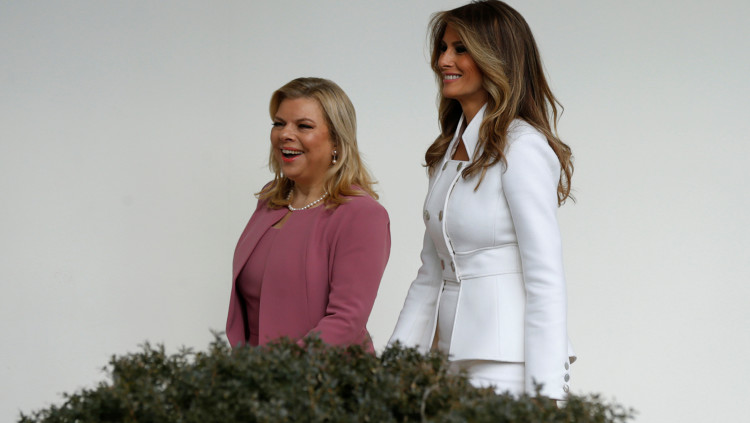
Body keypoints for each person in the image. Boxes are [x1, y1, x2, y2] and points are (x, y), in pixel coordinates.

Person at [389, 0, 576, 399]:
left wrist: (547, 397)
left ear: (497, 58)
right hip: (445, 361)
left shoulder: (522, 146)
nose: (443, 60)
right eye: (443, 48)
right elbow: (430, 273)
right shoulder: (446, 152)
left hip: (506, 364)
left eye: (460, 49)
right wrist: (390, 373)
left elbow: (545, 278)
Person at [226, 77, 390, 353]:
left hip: (323, 375)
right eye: (279, 124)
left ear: (337, 140)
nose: (285, 134)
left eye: (303, 126)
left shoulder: (362, 215)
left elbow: (345, 321)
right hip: (257, 373)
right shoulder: (270, 199)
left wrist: (278, 371)